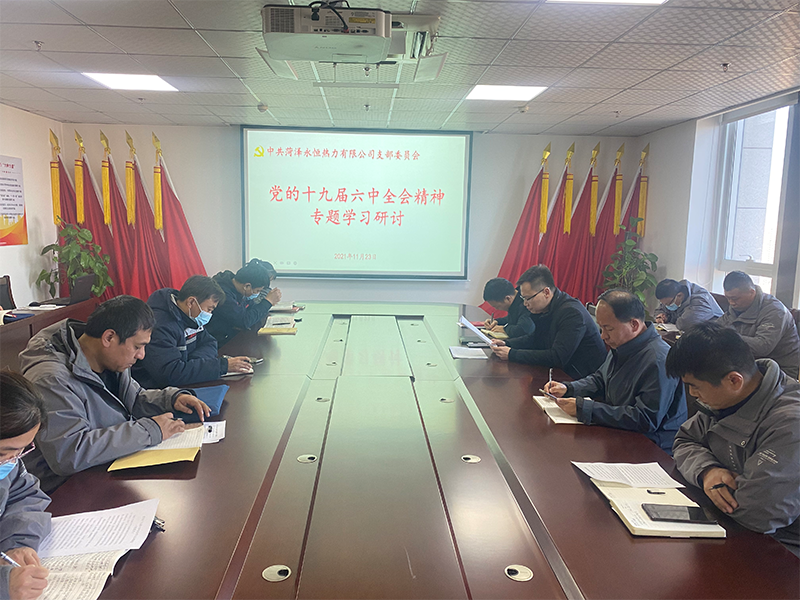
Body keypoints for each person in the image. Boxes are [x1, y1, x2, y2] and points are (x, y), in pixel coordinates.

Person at [18, 295, 211, 493]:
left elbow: (133, 398)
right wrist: (150, 430)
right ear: (109, 338)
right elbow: (69, 453)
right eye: (137, 347)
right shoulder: (51, 378)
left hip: (105, 467)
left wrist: (171, 399)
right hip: (65, 489)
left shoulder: (109, 359)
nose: (141, 355)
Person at [667, 322, 800, 558]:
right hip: (730, 526)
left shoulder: (790, 423)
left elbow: (758, 512)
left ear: (734, 381)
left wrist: (725, 489)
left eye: (695, 387)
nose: (692, 394)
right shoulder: (725, 399)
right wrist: (708, 471)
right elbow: (685, 440)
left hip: (780, 547)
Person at [543, 290, 687, 453]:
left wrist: (586, 409)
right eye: (601, 328)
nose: (603, 336)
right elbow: (600, 379)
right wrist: (569, 388)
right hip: (620, 431)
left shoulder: (659, 360)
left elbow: (646, 419)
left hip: (651, 447)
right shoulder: (623, 344)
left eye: (608, 329)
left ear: (634, 325)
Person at [132, 276, 253, 389]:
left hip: (184, 383)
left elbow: (210, 342)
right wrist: (222, 366)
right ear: (191, 302)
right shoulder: (160, 326)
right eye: (209, 309)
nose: (209, 314)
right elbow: (171, 374)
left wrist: (193, 364)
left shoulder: (190, 318)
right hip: (157, 391)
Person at [491, 265, 606, 379]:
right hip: (561, 373)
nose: (525, 304)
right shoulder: (546, 308)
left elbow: (557, 357)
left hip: (582, 379)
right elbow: (535, 339)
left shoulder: (572, 313)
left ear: (546, 292)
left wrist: (512, 354)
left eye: (528, 298)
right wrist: (507, 344)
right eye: (523, 298)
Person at [0, 372, 51, 600]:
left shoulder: (8, 464)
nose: (12, 461)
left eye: (21, 451)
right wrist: (3, 586)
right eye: (4, 453)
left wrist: (17, 544)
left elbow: (25, 495)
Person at [718, 271, 800, 379]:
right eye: (728, 298)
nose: (731, 303)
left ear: (752, 292)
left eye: (735, 298)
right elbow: (718, 327)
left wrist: (727, 337)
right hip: (749, 366)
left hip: (778, 372)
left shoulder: (775, 311)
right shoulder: (737, 307)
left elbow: (762, 347)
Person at [206, 260, 283, 345]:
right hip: (219, 340)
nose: (257, 294)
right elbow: (244, 321)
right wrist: (268, 302)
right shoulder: (223, 294)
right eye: (257, 290)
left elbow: (250, 309)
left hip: (232, 335)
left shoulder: (239, 289)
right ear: (247, 286)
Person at [654, 278, 722, 331]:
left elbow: (684, 324)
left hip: (713, 335)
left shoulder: (700, 300)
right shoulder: (672, 294)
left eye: (668, 304)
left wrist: (670, 317)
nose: (667, 306)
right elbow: (659, 310)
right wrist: (660, 316)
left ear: (679, 295)